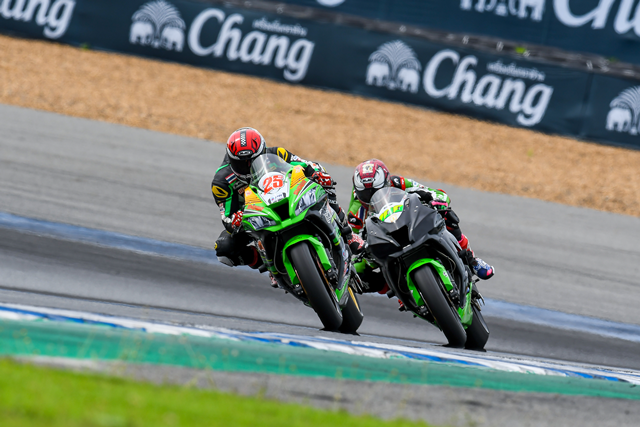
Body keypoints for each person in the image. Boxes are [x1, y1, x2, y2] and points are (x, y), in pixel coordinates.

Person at [212, 127, 364, 274]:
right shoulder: (221, 183)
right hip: (253, 216)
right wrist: (235, 219)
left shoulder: (277, 154)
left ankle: (348, 234)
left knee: (324, 185)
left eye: (253, 160)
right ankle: (264, 261)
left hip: (285, 198)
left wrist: (317, 174)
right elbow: (227, 219)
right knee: (223, 247)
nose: (248, 167)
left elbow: (307, 165)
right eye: (241, 163)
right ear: (231, 159)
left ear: (263, 151)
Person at [347, 159, 494, 294]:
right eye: (365, 194)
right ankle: (400, 291)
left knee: (447, 215)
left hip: (409, 224)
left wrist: (437, 200)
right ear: (357, 192)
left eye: (377, 190)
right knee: (357, 274)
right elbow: (351, 238)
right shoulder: (356, 211)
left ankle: (471, 259)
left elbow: (436, 193)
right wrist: (360, 249)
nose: (371, 196)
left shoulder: (398, 182)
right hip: (386, 241)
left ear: (387, 182)